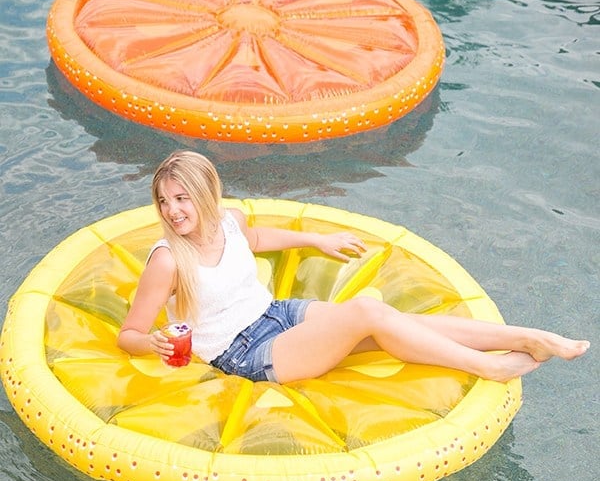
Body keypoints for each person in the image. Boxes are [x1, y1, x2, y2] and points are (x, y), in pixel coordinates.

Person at [117, 150, 590, 385]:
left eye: (181, 198)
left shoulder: (229, 220)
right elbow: (129, 334)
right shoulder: (167, 260)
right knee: (367, 311)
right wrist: (153, 342)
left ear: (206, 194)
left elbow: (258, 239)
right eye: (164, 201)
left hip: (279, 314)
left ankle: (527, 338)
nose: (173, 210)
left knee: (393, 323)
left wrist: (317, 240)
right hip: (245, 354)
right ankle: (487, 368)